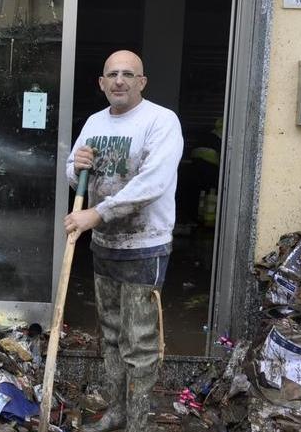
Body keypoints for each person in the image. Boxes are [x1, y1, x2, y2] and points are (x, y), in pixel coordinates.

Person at [64, 50, 183, 432]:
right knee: (112, 337)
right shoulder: (94, 122)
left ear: (141, 82)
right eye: (112, 74)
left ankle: (137, 423)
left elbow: (152, 183)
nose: (119, 80)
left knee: (139, 343)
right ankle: (116, 412)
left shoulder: (161, 121)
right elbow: (73, 172)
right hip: (105, 245)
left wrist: (96, 214)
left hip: (144, 246)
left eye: (128, 74)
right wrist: (77, 166)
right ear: (101, 83)